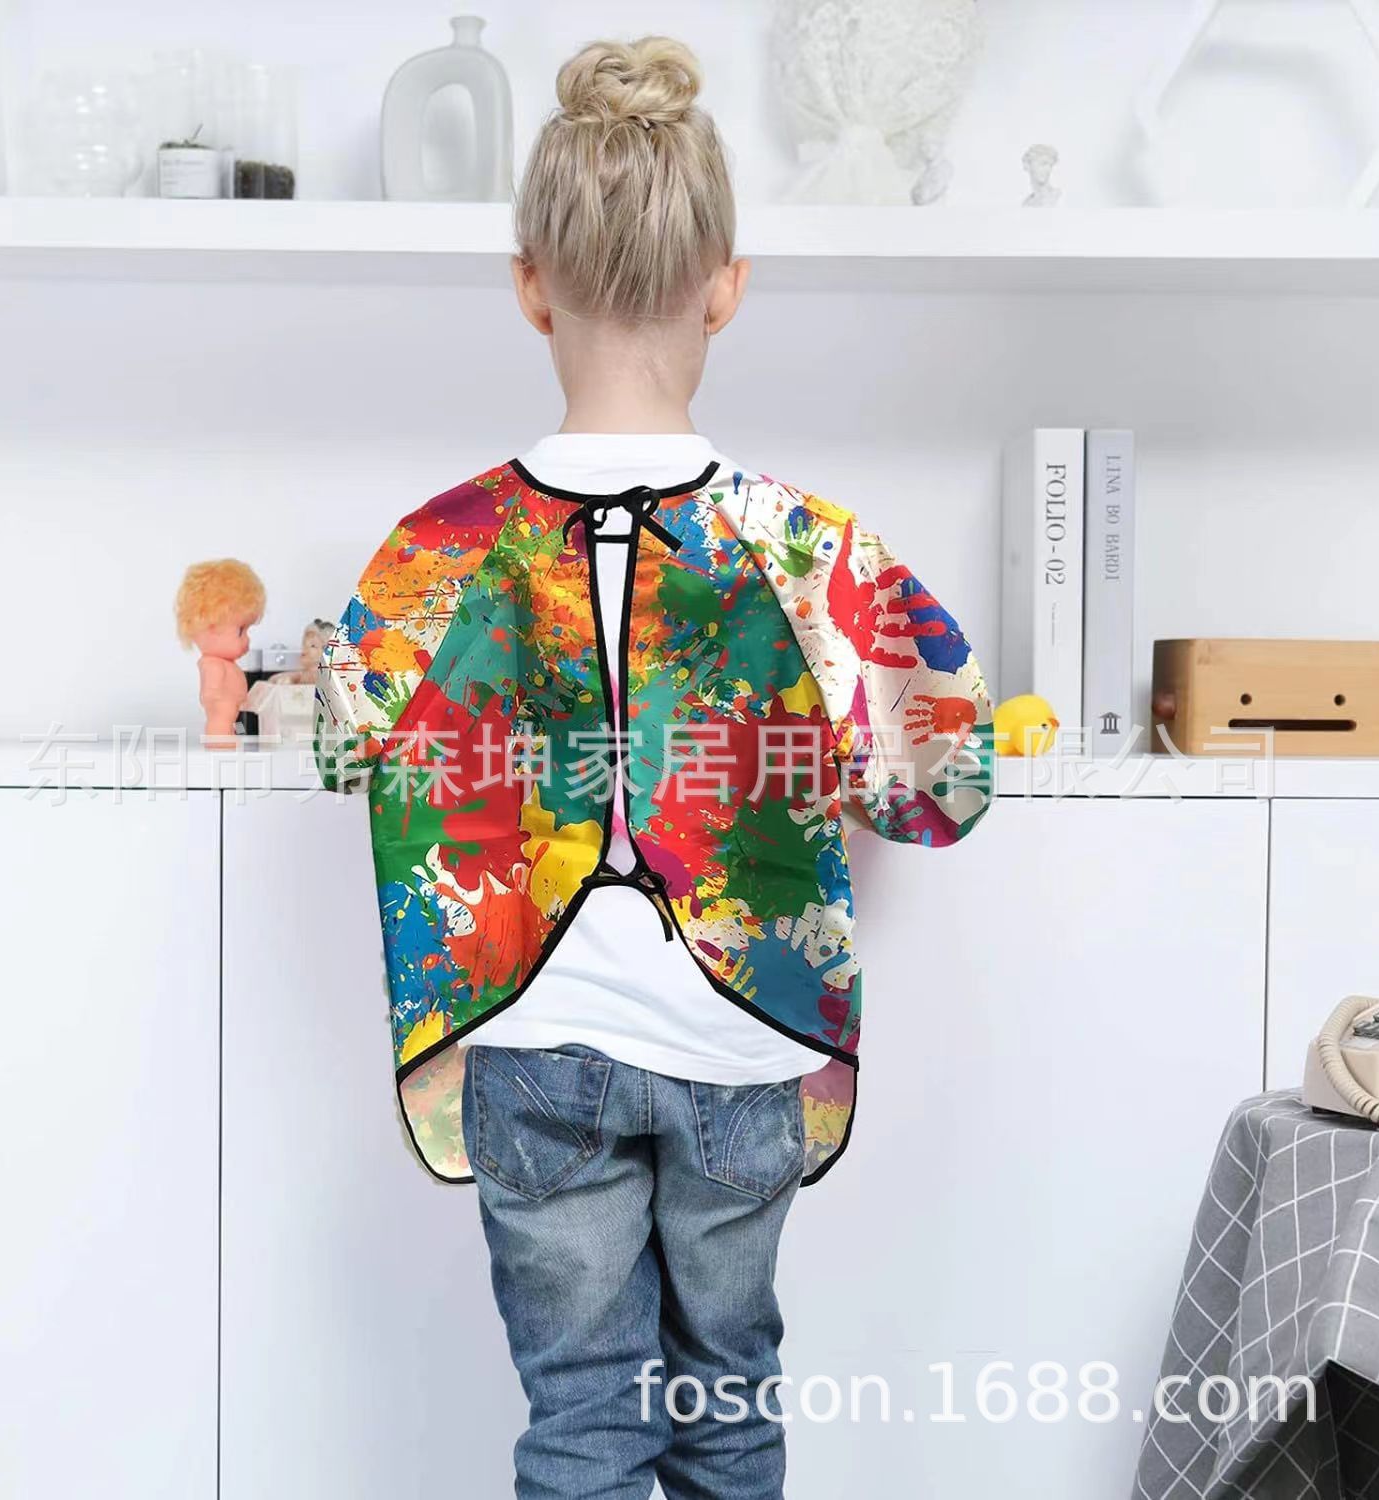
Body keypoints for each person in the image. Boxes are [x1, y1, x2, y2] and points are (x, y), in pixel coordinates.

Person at [315, 35, 994, 1500]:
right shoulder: (807, 546)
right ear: (725, 286)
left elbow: (340, 737)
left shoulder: (442, 543)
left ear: (531, 285)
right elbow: (944, 786)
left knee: (583, 1423)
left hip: (529, 1033)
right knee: (727, 1412)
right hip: (743, 1042)